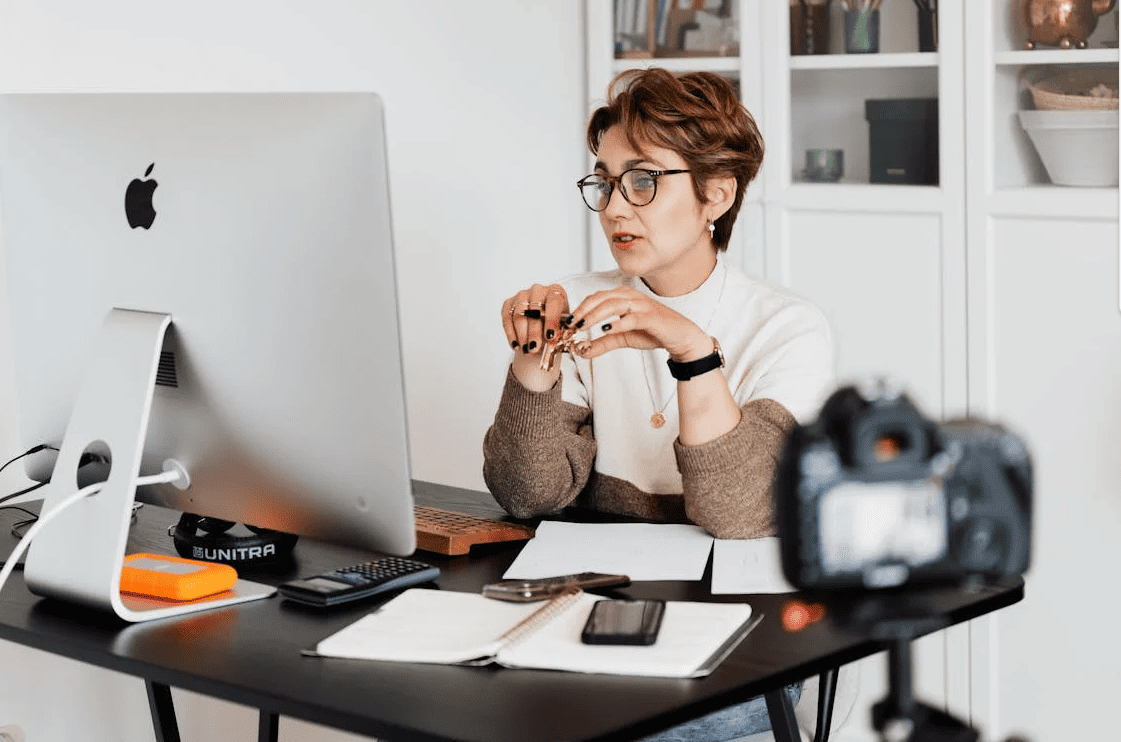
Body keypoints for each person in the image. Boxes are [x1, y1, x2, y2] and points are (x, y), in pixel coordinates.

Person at [483, 68, 835, 740]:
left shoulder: (787, 327)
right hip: (594, 616)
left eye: (642, 180)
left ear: (715, 194)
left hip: (745, 634)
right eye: (605, 181)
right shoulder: (578, 302)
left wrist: (691, 354)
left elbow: (738, 514)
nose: (616, 207)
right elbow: (528, 494)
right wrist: (534, 367)